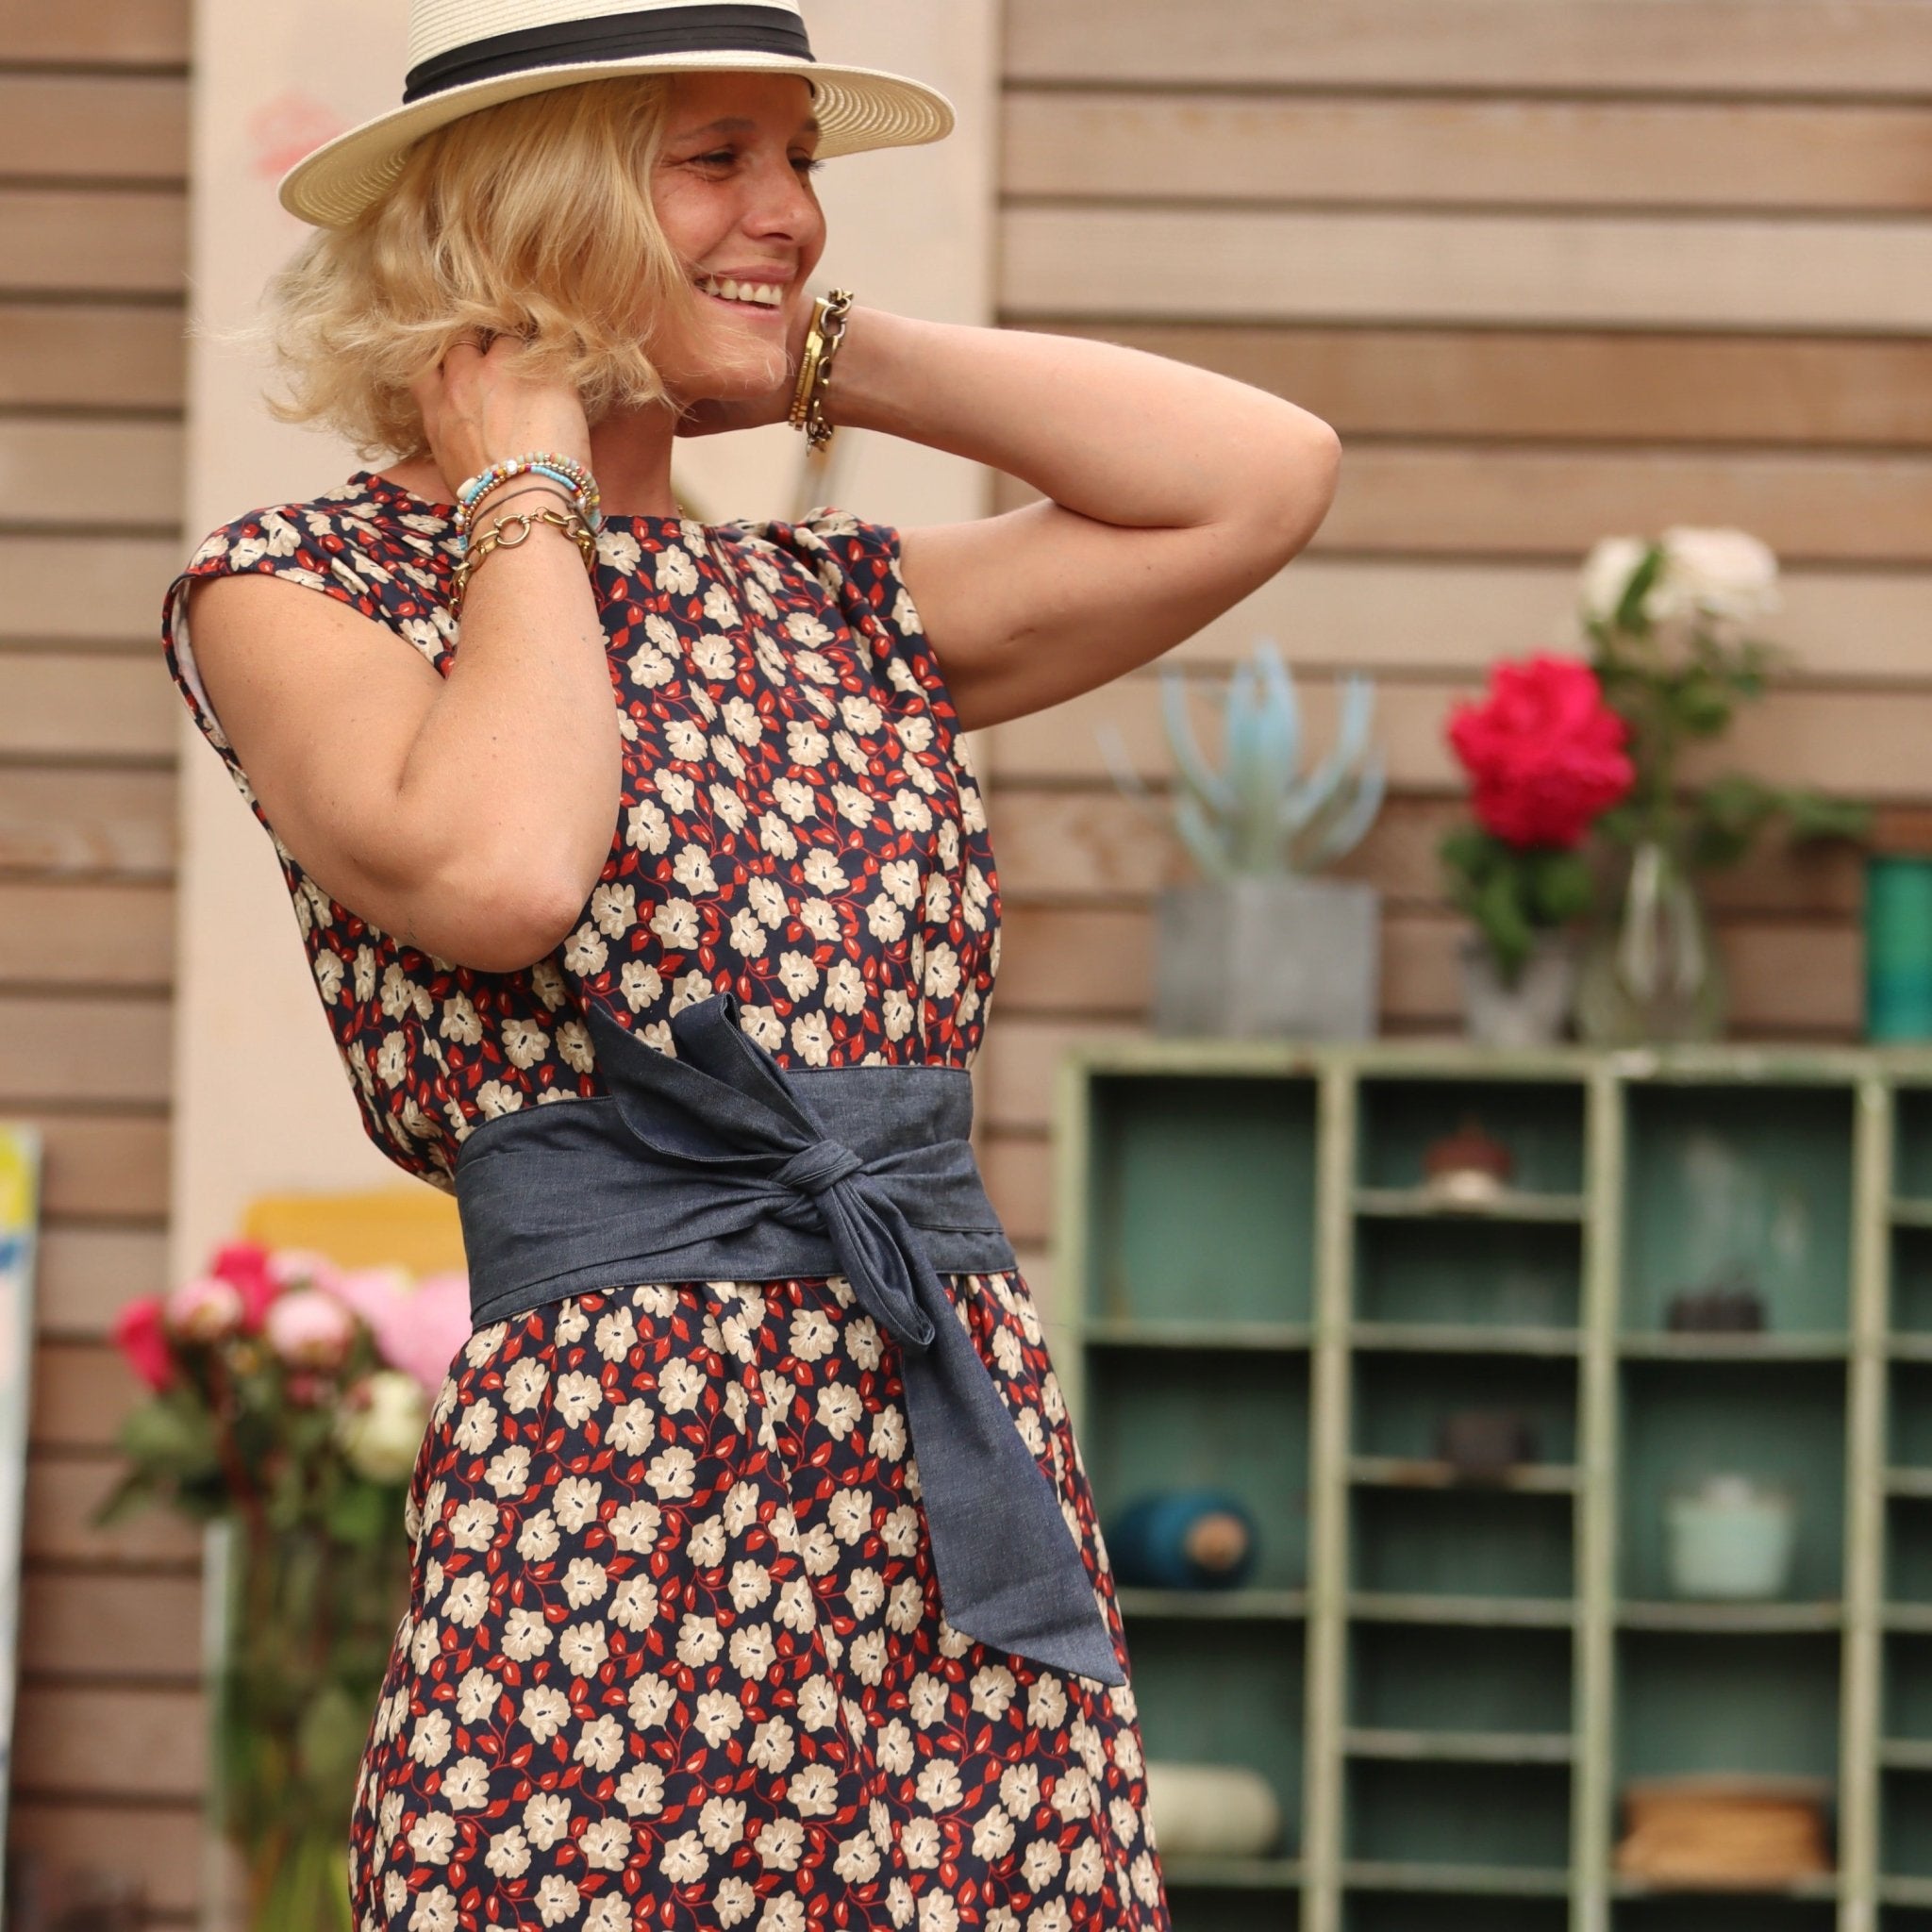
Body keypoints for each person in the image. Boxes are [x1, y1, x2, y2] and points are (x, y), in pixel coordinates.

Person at [162, 3, 1341, 1924]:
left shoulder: (826, 601)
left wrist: (805, 344)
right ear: (533, 213)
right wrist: (526, 485)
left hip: (939, 1455)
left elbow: (1262, 474)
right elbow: (505, 871)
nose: (789, 206)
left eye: (797, 160)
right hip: (618, 1487)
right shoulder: (299, 587)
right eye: (716, 160)